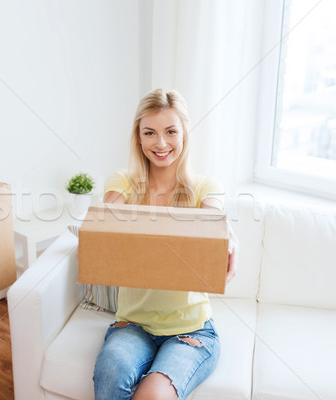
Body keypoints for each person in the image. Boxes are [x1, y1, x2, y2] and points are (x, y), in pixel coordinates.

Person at [93, 88, 239, 400]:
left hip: (192, 330)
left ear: (184, 133)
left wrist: (228, 234)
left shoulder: (205, 187)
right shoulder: (123, 182)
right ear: (139, 137)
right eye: (150, 133)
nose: (161, 144)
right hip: (132, 325)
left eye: (171, 131)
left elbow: (214, 221)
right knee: (110, 375)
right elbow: (105, 223)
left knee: (153, 396)